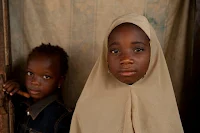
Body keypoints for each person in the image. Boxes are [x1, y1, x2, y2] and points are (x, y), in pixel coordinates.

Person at [70, 13, 184, 133]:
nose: (125, 59)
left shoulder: (163, 105)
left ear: (153, 53)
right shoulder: (88, 107)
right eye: (115, 51)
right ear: (105, 56)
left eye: (138, 49)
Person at [2, 43, 73, 133]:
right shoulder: (21, 102)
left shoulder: (60, 119)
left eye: (46, 77)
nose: (34, 82)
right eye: (30, 73)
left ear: (60, 81)